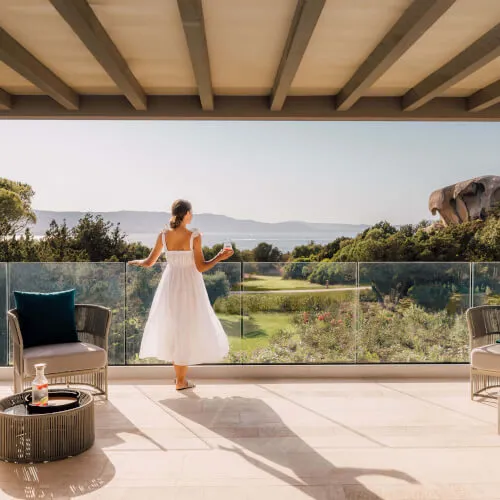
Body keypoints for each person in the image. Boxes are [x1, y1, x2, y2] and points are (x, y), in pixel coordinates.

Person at [128, 199, 234, 390]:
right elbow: (201, 267)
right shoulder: (194, 236)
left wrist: (136, 261)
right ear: (186, 214)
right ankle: (180, 381)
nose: (192, 215)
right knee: (186, 327)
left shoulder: (163, 235)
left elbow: (149, 262)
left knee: (174, 326)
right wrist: (220, 256)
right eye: (191, 212)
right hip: (190, 285)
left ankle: (180, 378)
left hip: (170, 284)